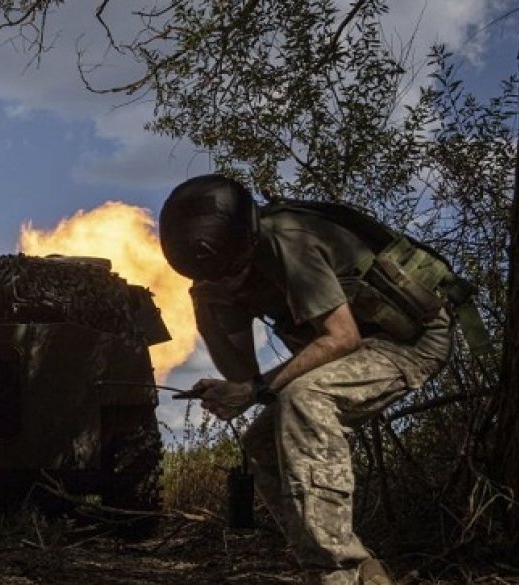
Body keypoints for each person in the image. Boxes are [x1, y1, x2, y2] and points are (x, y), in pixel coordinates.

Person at [158, 174, 454, 585]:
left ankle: (335, 574)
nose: (224, 282)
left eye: (229, 273)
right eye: (214, 277)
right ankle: (359, 569)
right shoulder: (218, 277)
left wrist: (258, 389)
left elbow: (342, 337)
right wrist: (209, 311)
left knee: (304, 398)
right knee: (261, 440)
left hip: (408, 341)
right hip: (356, 345)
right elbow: (243, 376)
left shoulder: (288, 242)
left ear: (247, 243)